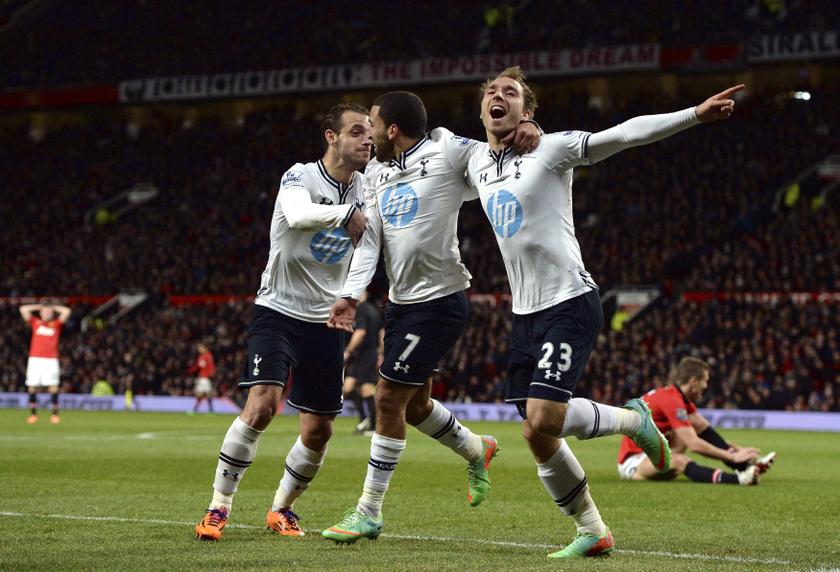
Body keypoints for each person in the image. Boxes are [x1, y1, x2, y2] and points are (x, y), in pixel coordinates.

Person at [464, 66, 744, 558]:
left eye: (510, 92)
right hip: (524, 313)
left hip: (569, 298)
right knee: (535, 431)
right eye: (491, 91)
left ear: (527, 111)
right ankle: (593, 530)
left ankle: (634, 421)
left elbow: (625, 134)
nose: (497, 96)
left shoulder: (549, 148)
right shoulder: (473, 162)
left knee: (545, 417)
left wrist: (694, 115)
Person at [323, 91, 541, 543]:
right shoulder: (376, 175)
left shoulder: (447, 149)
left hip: (441, 302)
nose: (370, 135)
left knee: (386, 399)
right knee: (416, 405)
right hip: (400, 305)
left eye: (374, 125)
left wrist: (528, 129)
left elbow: (496, 149)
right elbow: (370, 244)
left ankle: (369, 510)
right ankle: (477, 448)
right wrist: (349, 294)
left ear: (394, 130)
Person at [194, 102, 372, 541]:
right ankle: (218, 507)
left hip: (326, 320)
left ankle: (281, 509)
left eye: (370, 132)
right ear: (331, 137)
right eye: (356, 132)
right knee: (262, 406)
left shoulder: (368, 186)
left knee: (320, 428)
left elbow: (373, 237)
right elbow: (297, 214)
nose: (367, 139)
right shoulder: (300, 175)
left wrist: (350, 294)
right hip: (278, 311)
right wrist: (344, 214)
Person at [617, 357, 776, 485]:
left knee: (692, 429)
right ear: (693, 381)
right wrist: (732, 457)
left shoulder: (678, 398)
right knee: (680, 459)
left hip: (655, 451)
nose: (706, 386)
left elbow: (707, 433)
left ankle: (746, 466)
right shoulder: (671, 400)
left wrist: (739, 451)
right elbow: (694, 444)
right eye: (705, 381)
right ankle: (740, 479)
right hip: (634, 460)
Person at [19, 302, 72, 424]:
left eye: (49, 312)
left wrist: (53, 307)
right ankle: (33, 415)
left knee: (53, 386)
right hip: (35, 359)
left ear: (52, 313)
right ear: (41, 312)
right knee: (32, 386)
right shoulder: (35, 322)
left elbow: (67, 311)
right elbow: (23, 309)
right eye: (45, 311)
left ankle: (55, 415)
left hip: (51, 360)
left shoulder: (56, 324)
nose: (47, 313)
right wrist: (39, 306)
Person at [342, 289, 384, 435]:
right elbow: (381, 332)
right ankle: (365, 419)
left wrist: (348, 350)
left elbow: (360, 332)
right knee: (348, 388)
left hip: (366, 355)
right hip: (366, 354)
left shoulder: (361, 310)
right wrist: (380, 353)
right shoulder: (374, 310)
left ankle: (373, 426)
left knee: (366, 388)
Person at [188, 342, 216, 414]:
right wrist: (190, 370)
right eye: (198, 348)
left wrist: (211, 374)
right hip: (201, 377)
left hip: (206, 378)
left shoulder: (208, 355)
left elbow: (211, 365)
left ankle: (198, 409)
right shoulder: (200, 356)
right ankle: (210, 410)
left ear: (205, 348)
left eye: (200, 348)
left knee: (204, 393)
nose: (199, 349)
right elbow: (197, 366)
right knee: (203, 394)